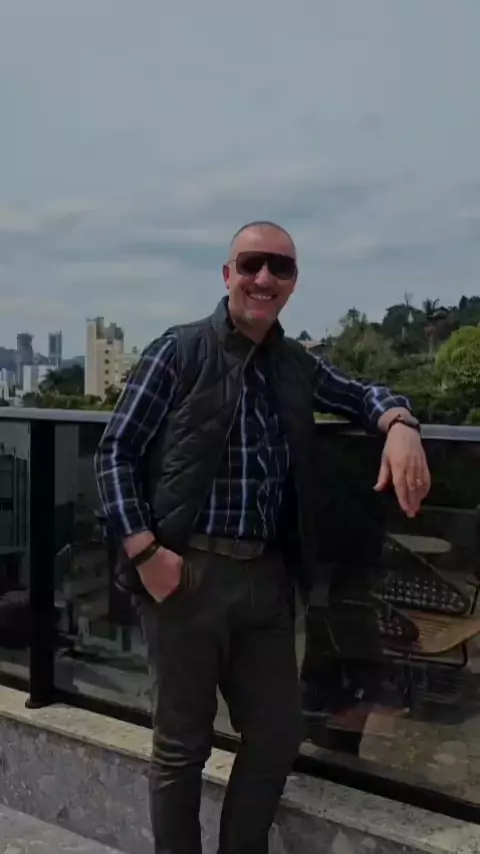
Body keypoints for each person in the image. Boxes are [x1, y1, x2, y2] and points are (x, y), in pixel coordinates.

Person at [94, 221, 430, 854]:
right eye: (251, 264)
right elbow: (115, 452)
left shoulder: (294, 364)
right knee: (182, 746)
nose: (264, 278)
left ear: (293, 284)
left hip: (266, 581)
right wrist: (146, 552)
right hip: (185, 574)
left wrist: (399, 423)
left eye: (281, 267)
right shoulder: (179, 351)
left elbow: (359, 393)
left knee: (275, 738)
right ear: (228, 274)